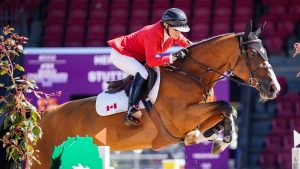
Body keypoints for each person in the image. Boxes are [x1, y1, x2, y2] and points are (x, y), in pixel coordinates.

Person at [107, 8, 192, 126]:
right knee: (143, 73)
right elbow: (151, 61)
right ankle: (132, 108)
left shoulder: (174, 34)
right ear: (166, 25)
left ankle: (148, 101)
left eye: (181, 30)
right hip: (121, 54)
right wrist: (171, 58)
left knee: (159, 72)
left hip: (137, 56)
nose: (179, 33)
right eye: (176, 30)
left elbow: (191, 46)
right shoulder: (151, 33)